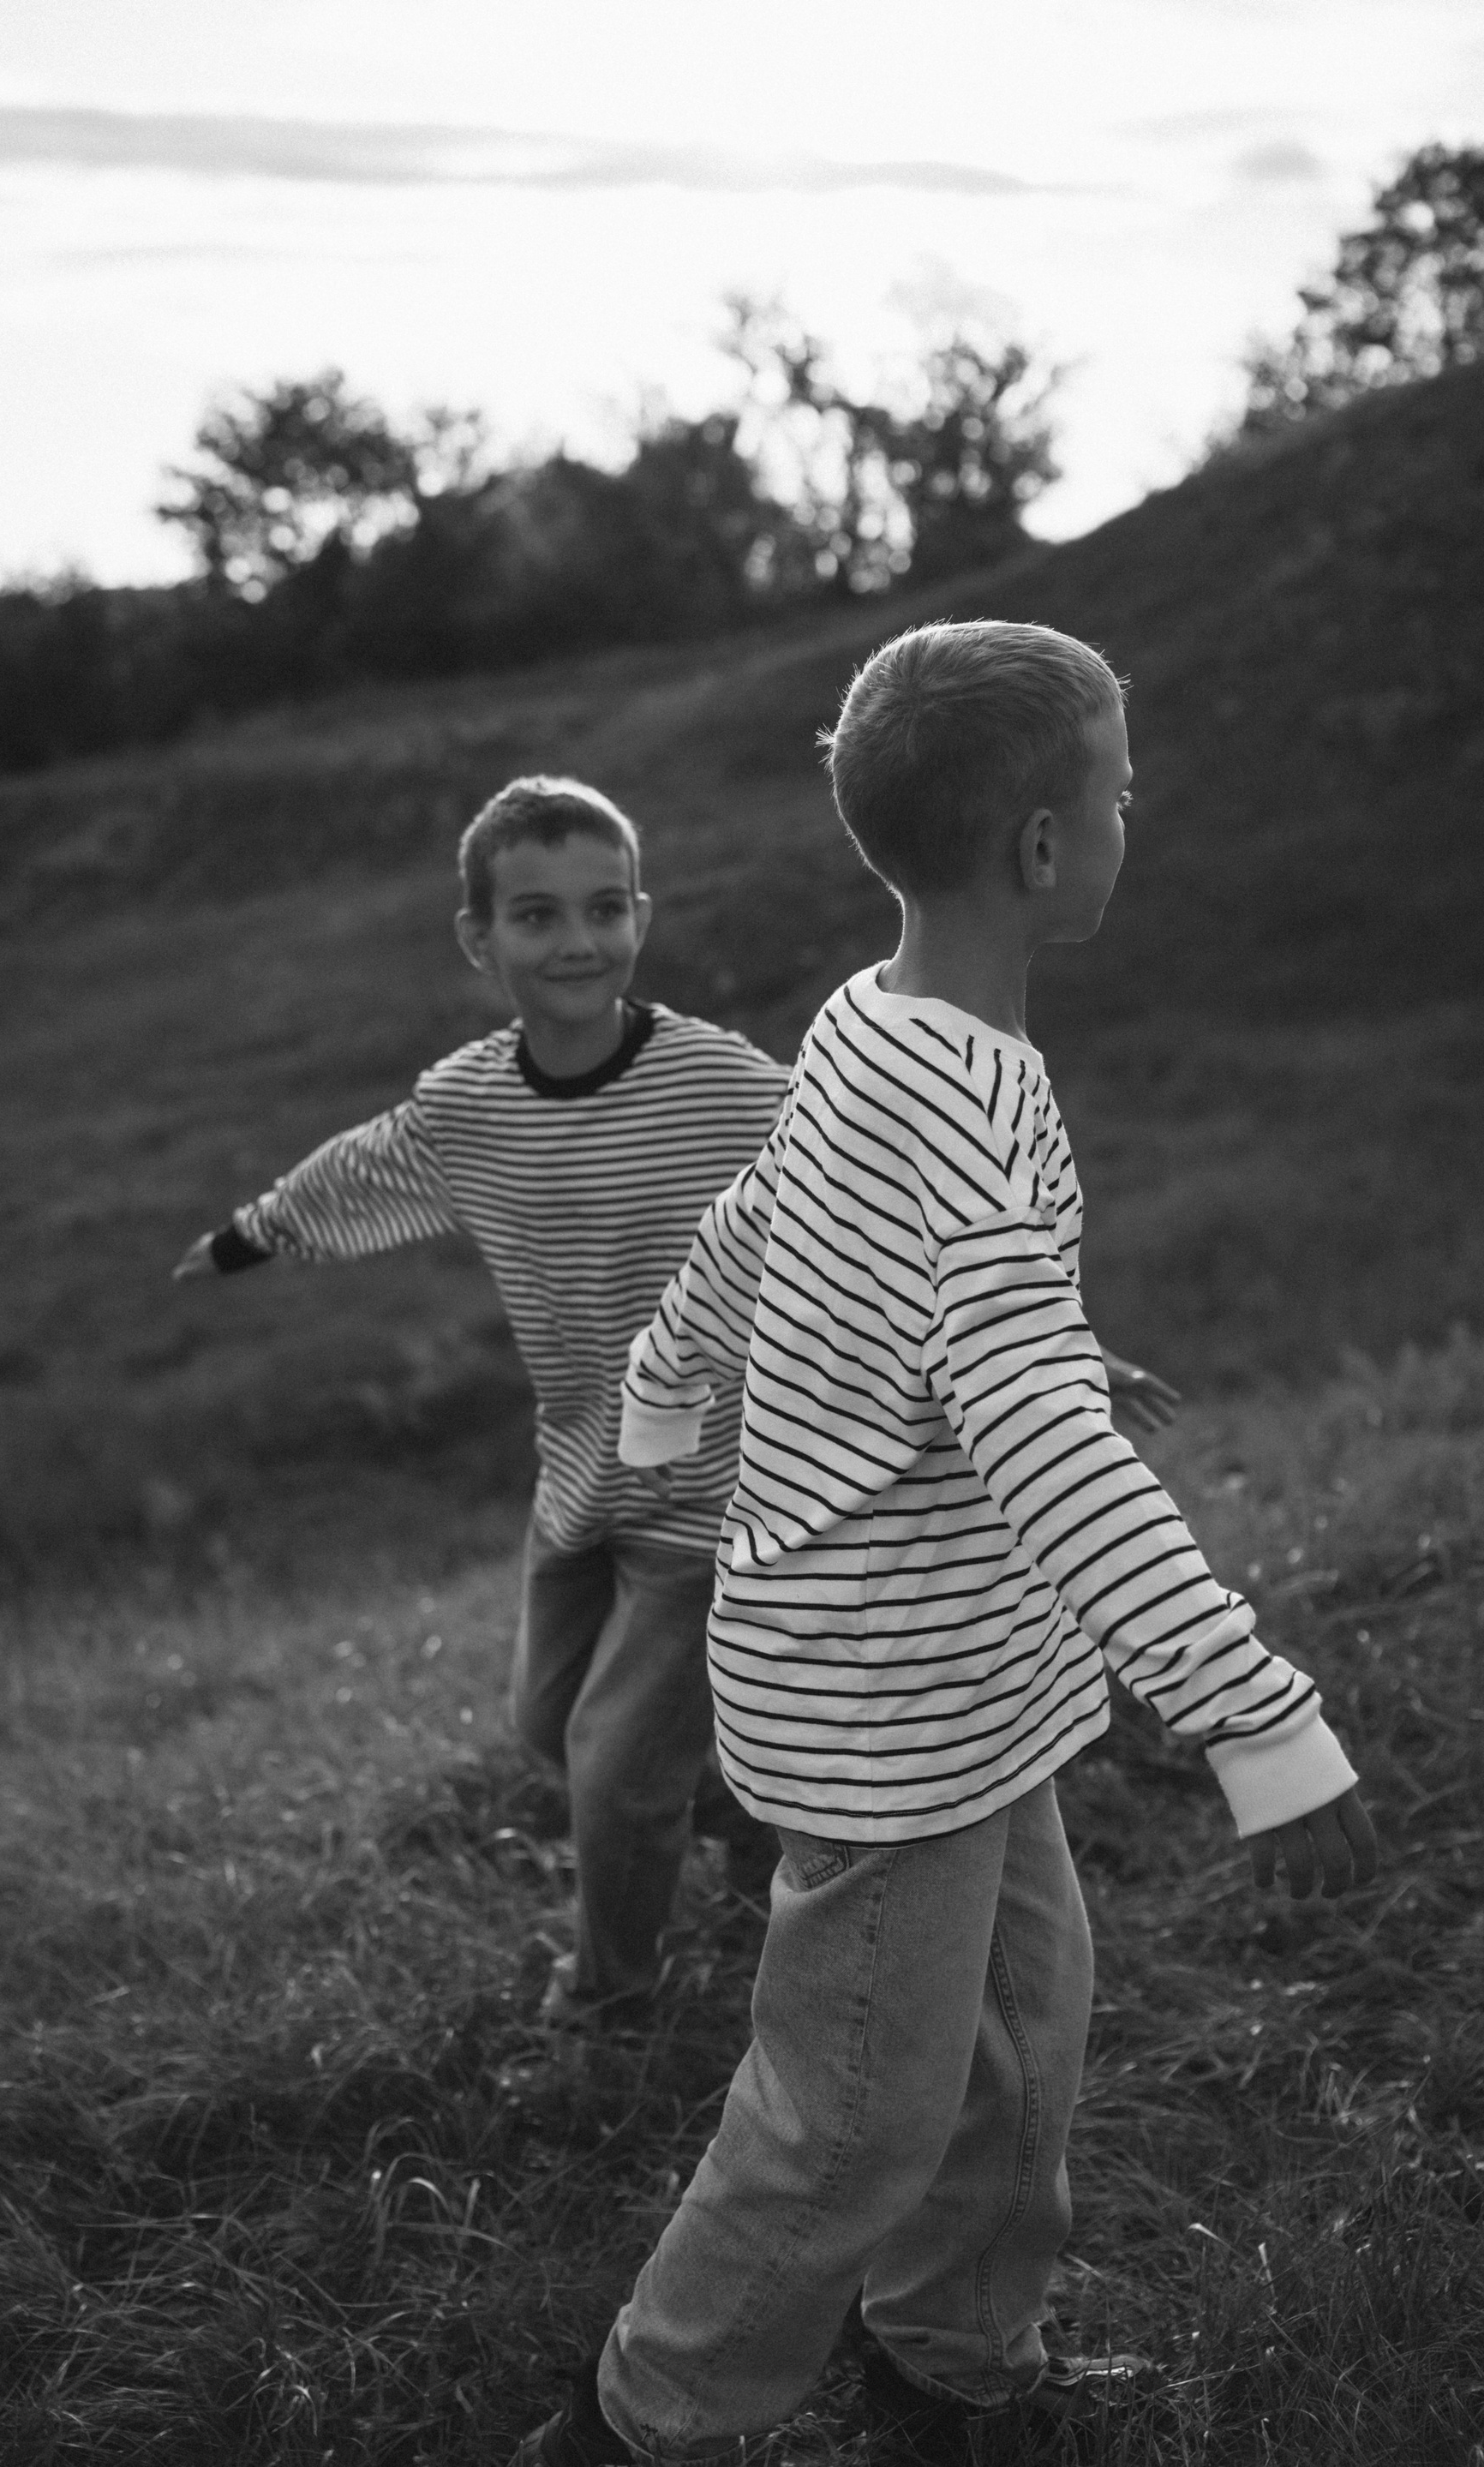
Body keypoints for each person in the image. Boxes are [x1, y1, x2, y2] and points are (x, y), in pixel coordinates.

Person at [512, 625, 1377, 2465]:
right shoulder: (976, 1097)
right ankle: (652, 2420)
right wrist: (1258, 1718)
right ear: (1046, 850)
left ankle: (954, 2357)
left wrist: (667, 1389)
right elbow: (1038, 1439)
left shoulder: (871, 1020)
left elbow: (782, 1221)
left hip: (971, 1679)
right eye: (1121, 791)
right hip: (884, 1708)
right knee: (848, 2117)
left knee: (1022, 2030)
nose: (1133, 814)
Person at [175, 775, 791, 2025]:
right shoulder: (469, 1106)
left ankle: (609, 2008)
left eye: (605, 908)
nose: (578, 942)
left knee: (611, 1768)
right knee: (548, 1722)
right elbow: (362, 1169)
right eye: (537, 915)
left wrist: (1022, 1333)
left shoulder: (722, 1083)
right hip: (579, 1473)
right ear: (480, 938)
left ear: (641, 918)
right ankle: (755, 1818)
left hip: (717, 1487)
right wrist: (251, 1234)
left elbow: (869, 1177)